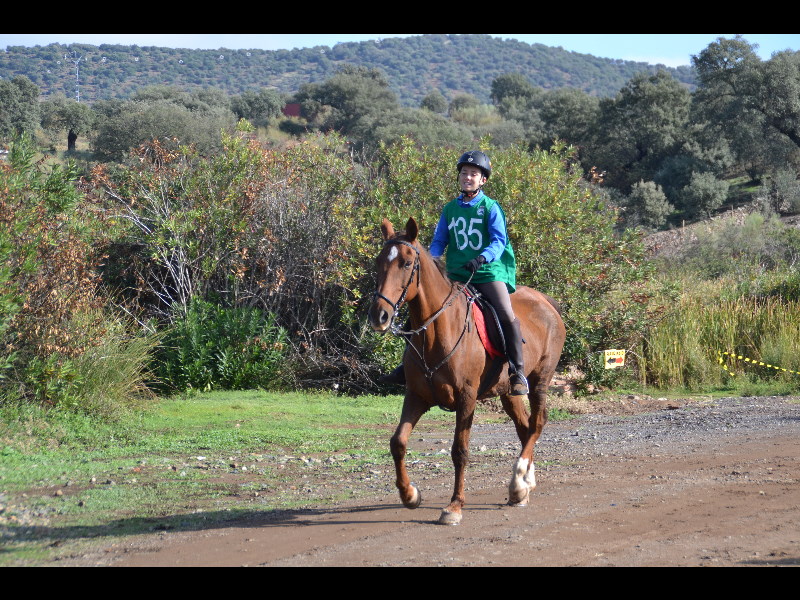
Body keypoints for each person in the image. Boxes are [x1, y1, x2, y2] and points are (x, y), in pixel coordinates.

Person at [379, 150, 529, 396]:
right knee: (419, 312)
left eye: (473, 174)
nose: (467, 177)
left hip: (488, 271)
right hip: (457, 273)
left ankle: (517, 372)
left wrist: (482, 258)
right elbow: (439, 240)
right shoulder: (450, 209)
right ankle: (405, 367)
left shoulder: (490, 207)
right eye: (464, 173)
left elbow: (499, 241)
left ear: (483, 180)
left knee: (505, 313)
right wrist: (433, 262)